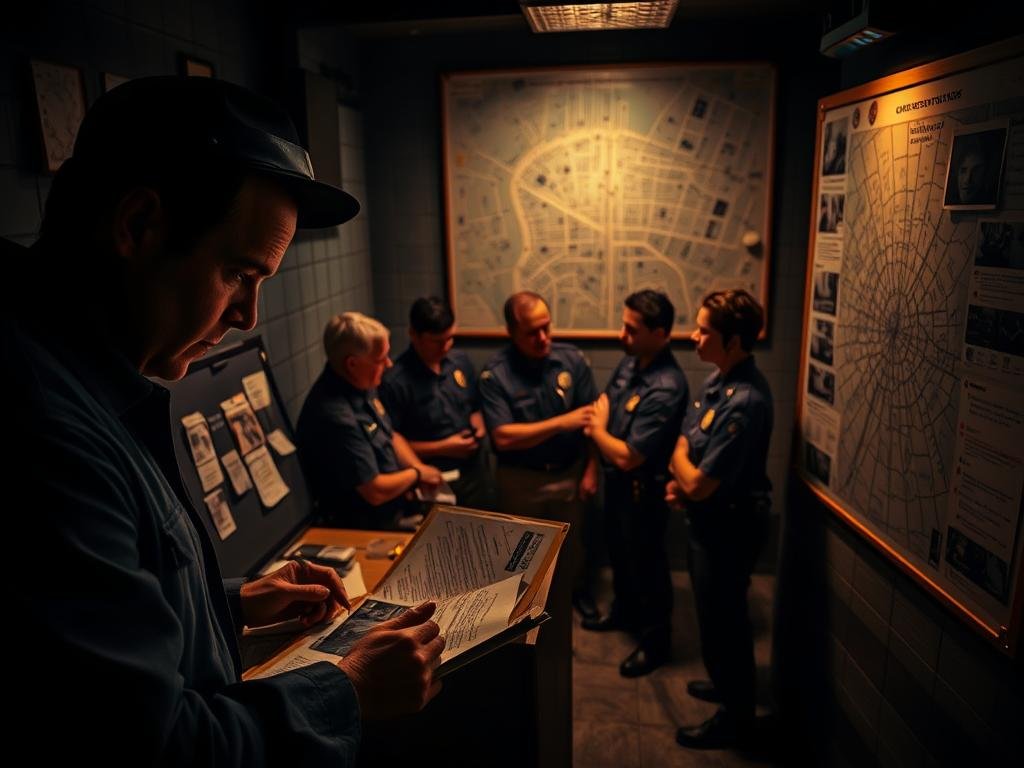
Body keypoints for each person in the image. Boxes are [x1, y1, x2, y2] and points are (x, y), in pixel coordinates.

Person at [3, 76, 444, 766]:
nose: (247, 318)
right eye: (239, 275)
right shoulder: (42, 433)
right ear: (138, 227)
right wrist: (349, 687)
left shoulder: (79, 376)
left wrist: (230, 602)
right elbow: (161, 746)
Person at [666, 289, 773, 751]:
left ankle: (737, 717)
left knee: (727, 624)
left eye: (705, 330)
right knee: (712, 619)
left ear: (732, 341)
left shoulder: (745, 401)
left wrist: (680, 466)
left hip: (729, 530)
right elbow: (691, 455)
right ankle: (725, 686)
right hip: (708, 523)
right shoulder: (719, 381)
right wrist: (685, 473)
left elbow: (696, 480)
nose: (694, 336)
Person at [582, 290, 689, 677]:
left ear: (659, 333)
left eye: (631, 328)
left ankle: (655, 641)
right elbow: (604, 405)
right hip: (618, 486)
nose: (621, 334)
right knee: (621, 558)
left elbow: (630, 455)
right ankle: (625, 614)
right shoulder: (631, 365)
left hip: (644, 492)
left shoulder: (667, 384)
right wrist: (605, 433)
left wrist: (597, 432)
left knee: (648, 566)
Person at [479, 291, 599, 623]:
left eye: (547, 327)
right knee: (521, 556)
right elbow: (503, 437)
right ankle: (525, 615)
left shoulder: (571, 360)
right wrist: (562, 422)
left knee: (572, 550)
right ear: (512, 331)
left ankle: (574, 599)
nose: (543, 338)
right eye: (532, 332)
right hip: (521, 480)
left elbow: (592, 420)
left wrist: (592, 469)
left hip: (567, 473)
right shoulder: (496, 373)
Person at [296, 311, 443, 529]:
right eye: (380, 359)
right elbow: (374, 490)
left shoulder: (362, 382)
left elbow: (390, 435)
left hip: (395, 510)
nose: (389, 364)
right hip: (362, 530)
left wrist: (418, 469)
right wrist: (416, 474)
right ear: (352, 364)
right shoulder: (334, 416)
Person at [379, 297, 494, 510]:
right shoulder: (394, 381)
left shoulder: (459, 361)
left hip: (474, 474)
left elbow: (474, 406)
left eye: (449, 338)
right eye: (437, 341)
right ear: (414, 335)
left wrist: (478, 426)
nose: (445, 347)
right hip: (432, 483)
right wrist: (444, 448)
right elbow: (391, 442)